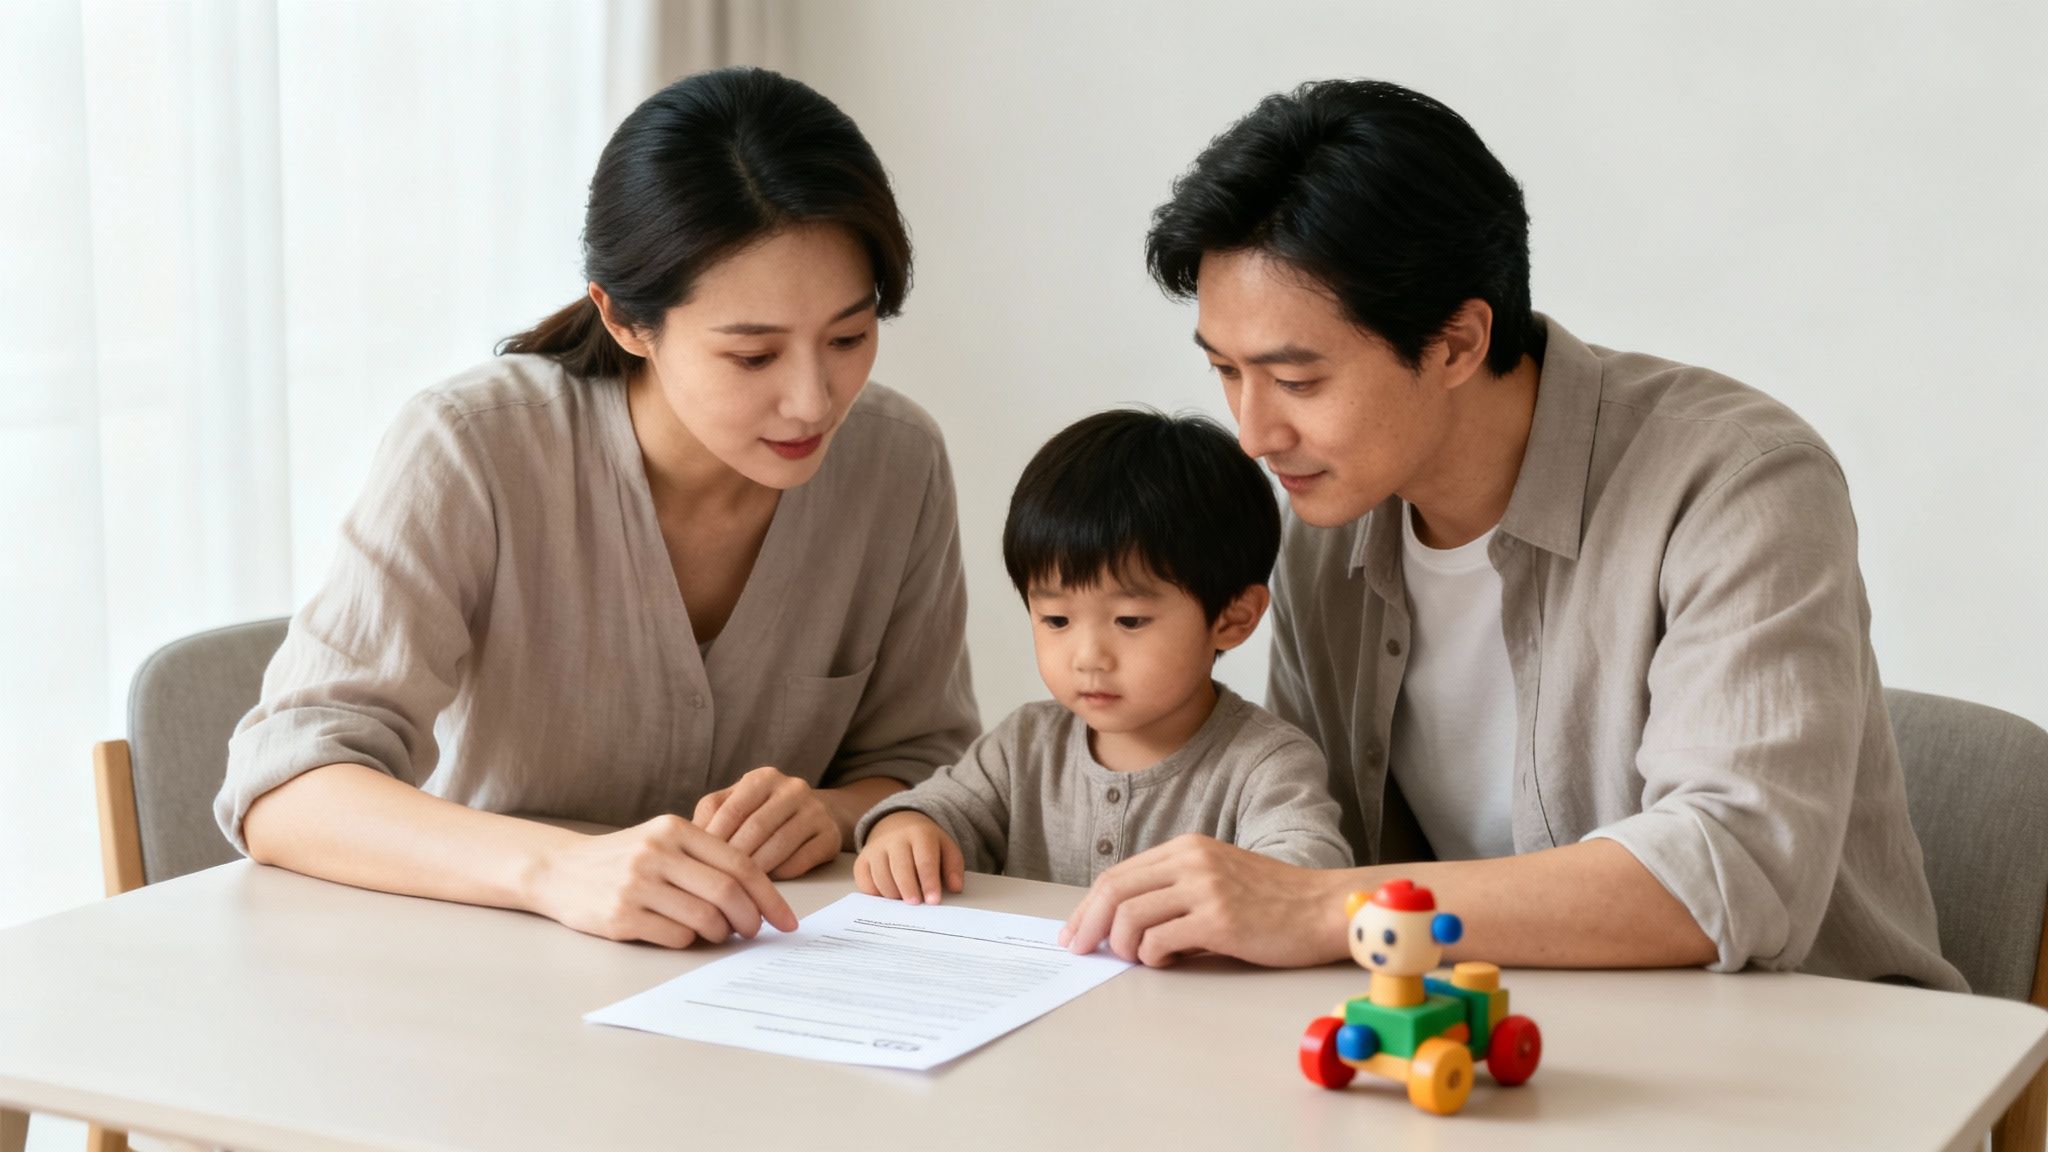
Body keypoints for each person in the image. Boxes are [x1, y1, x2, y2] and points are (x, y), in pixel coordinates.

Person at [1059, 79, 1964, 991]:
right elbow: (1315, 825)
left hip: (1813, 1062)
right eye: (1225, 371)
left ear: (1456, 343)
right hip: (1498, 1050)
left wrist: (1317, 906)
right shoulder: (1326, 528)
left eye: (1296, 382)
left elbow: (1732, 869)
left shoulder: (1738, 482)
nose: (1254, 434)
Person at [216, 68, 979, 950]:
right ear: (624, 320)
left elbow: (930, 763)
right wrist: (556, 871)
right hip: (489, 979)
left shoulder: (898, 461)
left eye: (849, 338)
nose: (813, 401)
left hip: (767, 989)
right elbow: (285, 786)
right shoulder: (474, 447)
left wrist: (835, 811)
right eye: (752, 356)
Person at [853, 409, 1349, 902]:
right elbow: (939, 810)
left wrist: (1246, 890)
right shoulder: (1023, 747)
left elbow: (1310, 871)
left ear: (1233, 618)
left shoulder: (1267, 764)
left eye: (1129, 621)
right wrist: (903, 828)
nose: (1088, 657)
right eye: (1056, 621)